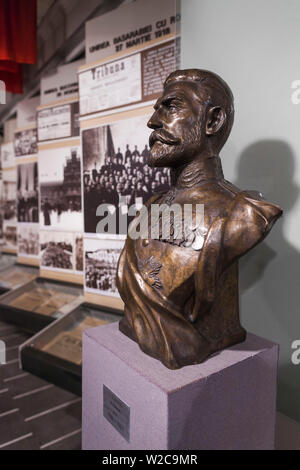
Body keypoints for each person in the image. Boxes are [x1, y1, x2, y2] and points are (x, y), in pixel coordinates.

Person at [117, 68, 283, 369]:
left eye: (171, 107)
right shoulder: (150, 209)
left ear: (212, 121)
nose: (153, 122)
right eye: (157, 110)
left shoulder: (245, 215)